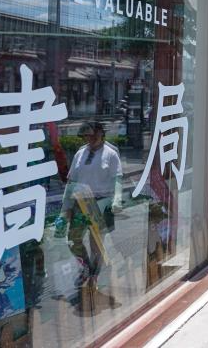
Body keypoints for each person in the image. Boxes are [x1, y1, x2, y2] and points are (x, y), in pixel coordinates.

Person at [56, 121, 124, 296]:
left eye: (94, 134)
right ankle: (86, 266)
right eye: (87, 135)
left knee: (96, 244)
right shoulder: (80, 153)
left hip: (101, 203)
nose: (90, 138)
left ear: (101, 134)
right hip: (80, 202)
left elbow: (117, 179)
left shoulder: (110, 154)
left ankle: (94, 275)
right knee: (73, 240)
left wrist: (117, 198)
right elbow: (71, 182)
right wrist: (65, 209)